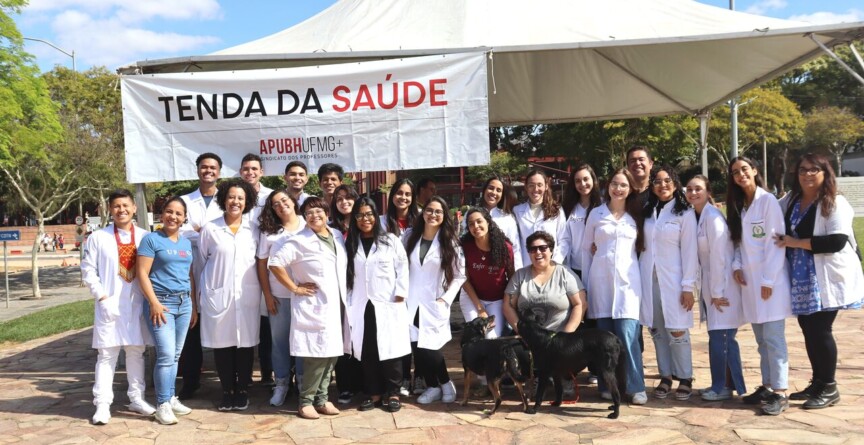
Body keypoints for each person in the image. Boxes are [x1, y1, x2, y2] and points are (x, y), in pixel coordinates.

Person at [776, 153, 864, 409]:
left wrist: (795, 243)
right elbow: (767, 210)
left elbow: (836, 241)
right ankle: (818, 382)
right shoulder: (791, 200)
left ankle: (829, 386)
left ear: (826, 173)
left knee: (820, 329)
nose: (807, 174)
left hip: (826, 276)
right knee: (808, 327)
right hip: (802, 276)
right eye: (803, 169)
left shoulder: (835, 202)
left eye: (814, 169)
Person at [268, 197, 348, 420]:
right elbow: (275, 263)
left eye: (319, 211)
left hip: (335, 304)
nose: (314, 216)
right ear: (304, 217)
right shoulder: (298, 241)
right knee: (316, 357)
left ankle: (322, 399)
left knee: (331, 355)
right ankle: (306, 402)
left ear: (327, 213)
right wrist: (294, 288)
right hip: (313, 305)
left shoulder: (336, 235)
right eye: (309, 213)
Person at [82, 189, 155, 425]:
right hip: (109, 303)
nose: (121, 210)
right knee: (106, 355)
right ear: (109, 210)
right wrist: (102, 297)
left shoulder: (146, 237)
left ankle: (137, 398)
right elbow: (88, 270)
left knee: (136, 351)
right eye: (116, 206)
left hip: (137, 304)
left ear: (134, 208)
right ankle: (102, 404)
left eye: (125, 205)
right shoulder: (98, 237)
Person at [727, 156, 792, 416]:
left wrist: (768, 279)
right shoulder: (739, 205)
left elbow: (775, 243)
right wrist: (736, 265)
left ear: (755, 171)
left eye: (745, 169)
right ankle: (767, 385)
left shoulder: (767, 202)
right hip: (750, 284)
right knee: (761, 340)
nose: (741, 174)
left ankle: (781, 391)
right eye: (735, 172)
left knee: (774, 339)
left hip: (769, 282)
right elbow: (740, 243)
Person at [582, 169, 648, 405]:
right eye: (614, 184)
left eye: (623, 185)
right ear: (607, 186)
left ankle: (635, 386)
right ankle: (607, 386)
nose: (618, 189)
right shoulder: (596, 214)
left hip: (629, 285)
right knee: (604, 341)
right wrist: (585, 287)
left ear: (630, 189)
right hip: (600, 283)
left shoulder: (636, 215)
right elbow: (586, 250)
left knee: (628, 337)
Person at [198, 179, 260, 411]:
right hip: (218, 295)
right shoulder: (210, 229)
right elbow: (200, 263)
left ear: (247, 202)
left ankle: (242, 390)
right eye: (231, 197)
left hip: (246, 295)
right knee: (222, 344)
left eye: (240, 198)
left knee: (245, 345)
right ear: (224, 199)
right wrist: (201, 295)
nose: (235, 202)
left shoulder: (254, 230)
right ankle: (227, 391)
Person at [345, 197, 411, 413]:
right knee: (368, 350)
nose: (365, 219)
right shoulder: (351, 243)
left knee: (391, 349)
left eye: (369, 214)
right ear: (354, 219)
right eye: (360, 215)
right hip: (361, 304)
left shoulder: (390, 240)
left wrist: (401, 292)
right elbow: (347, 276)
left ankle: (393, 392)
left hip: (388, 302)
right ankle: (373, 393)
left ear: (375, 216)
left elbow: (403, 266)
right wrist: (348, 301)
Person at [639, 166, 698, 401]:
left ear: (675, 183)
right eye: (657, 181)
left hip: (674, 280)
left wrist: (688, 287)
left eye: (667, 180)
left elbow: (690, 252)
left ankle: (685, 377)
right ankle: (665, 375)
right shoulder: (647, 211)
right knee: (657, 330)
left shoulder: (685, 213)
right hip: (649, 279)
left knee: (677, 329)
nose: (662, 185)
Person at [684, 175, 746, 402]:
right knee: (718, 337)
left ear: (708, 192)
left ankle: (723, 387)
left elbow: (720, 258)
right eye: (689, 189)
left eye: (698, 189)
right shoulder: (698, 216)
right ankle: (722, 383)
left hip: (723, 288)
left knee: (723, 338)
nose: (693, 193)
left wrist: (718, 293)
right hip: (712, 285)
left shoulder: (713, 218)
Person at [136, 196, 195, 425]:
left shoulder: (185, 243)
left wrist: (193, 305)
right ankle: (162, 404)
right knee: (166, 354)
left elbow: (189, 274)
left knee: (176, 355)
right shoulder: (151, 240)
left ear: (184, 218)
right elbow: (142, 273)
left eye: (178, 213)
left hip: (184, 303)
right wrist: (153, 302)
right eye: (169, 211)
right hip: (161, 304)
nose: (173, 216)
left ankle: (170, 398)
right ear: (162, 214)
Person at [405, 196, 466, 404]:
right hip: (410, 300)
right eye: (429, 210)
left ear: (444, 215)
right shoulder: (410, 236)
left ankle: (446, 382)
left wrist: (446, 299)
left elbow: (460, 275)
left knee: (430, 347)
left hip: (434, 300)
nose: (433, 214)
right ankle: (432, 386)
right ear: (423, 213)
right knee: (417, 347)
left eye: (438, 211)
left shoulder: (450, 241)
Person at [177, 152, 224, 400]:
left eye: (213, 167)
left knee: (219, 324)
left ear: (219, 172)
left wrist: (199, 230)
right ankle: (191, 381)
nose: (208, 171)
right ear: (197, 170)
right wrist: (207, 231)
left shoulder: (227, 198)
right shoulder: (184, 200)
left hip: (218, 267)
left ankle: (227, 380)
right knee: (190, 326)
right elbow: (180, 231)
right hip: (190, 265)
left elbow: (226, 231)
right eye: (204, 167)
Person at [256, 190, 306, 407]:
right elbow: (262, 264)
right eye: (275, 204)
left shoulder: (308, 224)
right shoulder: (269, 232)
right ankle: (282, 383)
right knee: (279, 343)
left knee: (304, 341)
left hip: (305, 296)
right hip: (279, 296)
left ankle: (303, 384)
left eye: (284, 200)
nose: (281, 205)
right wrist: (267, 294)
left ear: (293, 201)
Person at [503, 230, 585, 335]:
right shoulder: (519, 276)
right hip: (527, 338)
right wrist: (522, 332)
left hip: (559, 337)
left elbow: (580, 304)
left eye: (543, 248)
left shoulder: (565, 274)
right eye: (533, 249)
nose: (538, 252)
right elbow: (508, 306)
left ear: (551, 250)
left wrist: (566, 335)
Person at [382, 178, 421, 396]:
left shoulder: (421, 219)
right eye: (399, 193)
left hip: (417, 284)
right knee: (400, 332)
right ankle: (403, 377)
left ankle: (421, 376)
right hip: (392, 287)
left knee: (418, 332)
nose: (403, 198)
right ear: (392, 196)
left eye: (407, 194)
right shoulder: (382, 222)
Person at [239, 153, 275, 386]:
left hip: (268, 264)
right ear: (240, 172)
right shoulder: (234, 195)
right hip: (241, 265)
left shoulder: (271, 196)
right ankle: (243, 373)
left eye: (254, 169)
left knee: (266, 321)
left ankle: (267, 373)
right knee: (244, 318)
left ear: (261, 172)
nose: (250, 172)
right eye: (246, 169)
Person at [328, 184, 364, 405]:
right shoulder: (330, 228)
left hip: (363, 288)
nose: (344, 202)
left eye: (348, 197)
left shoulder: (366, 224)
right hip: (339, 289)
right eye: (339, 199)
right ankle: (345, 386)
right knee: (342, 336)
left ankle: (364, 382)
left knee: (361, 334)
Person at [459, 207, 515, 339]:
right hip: (471, 297)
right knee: (476, 335)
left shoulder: (505, 247)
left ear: (488, 222)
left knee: (491, 338)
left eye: (479, 221)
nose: (475, 226)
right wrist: (480, 309)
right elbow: (464, 279)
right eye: (471, 224)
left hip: (497, 300)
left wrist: (509, 303)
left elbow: (511, 276)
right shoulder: (465, 246)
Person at [513, 169, 568, 266]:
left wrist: (555, 262)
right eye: (531, 185)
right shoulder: (517, 211)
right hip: (527, 265)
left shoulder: (557, 210)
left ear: (546, 186)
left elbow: (564, 240)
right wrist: (519, 268)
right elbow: (515, 243)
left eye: (539, 185)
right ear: (526, 187)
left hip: (550, 266)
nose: (535, 189)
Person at [471, 176, 522, 270]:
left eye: (498, 190)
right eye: (491, 188)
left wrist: (518, 273)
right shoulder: (471, 214)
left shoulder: (507, 218)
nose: (494, 192)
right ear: (484, 190)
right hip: (475, 267)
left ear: (502, 195)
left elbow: (515, 248)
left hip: (499, 270)